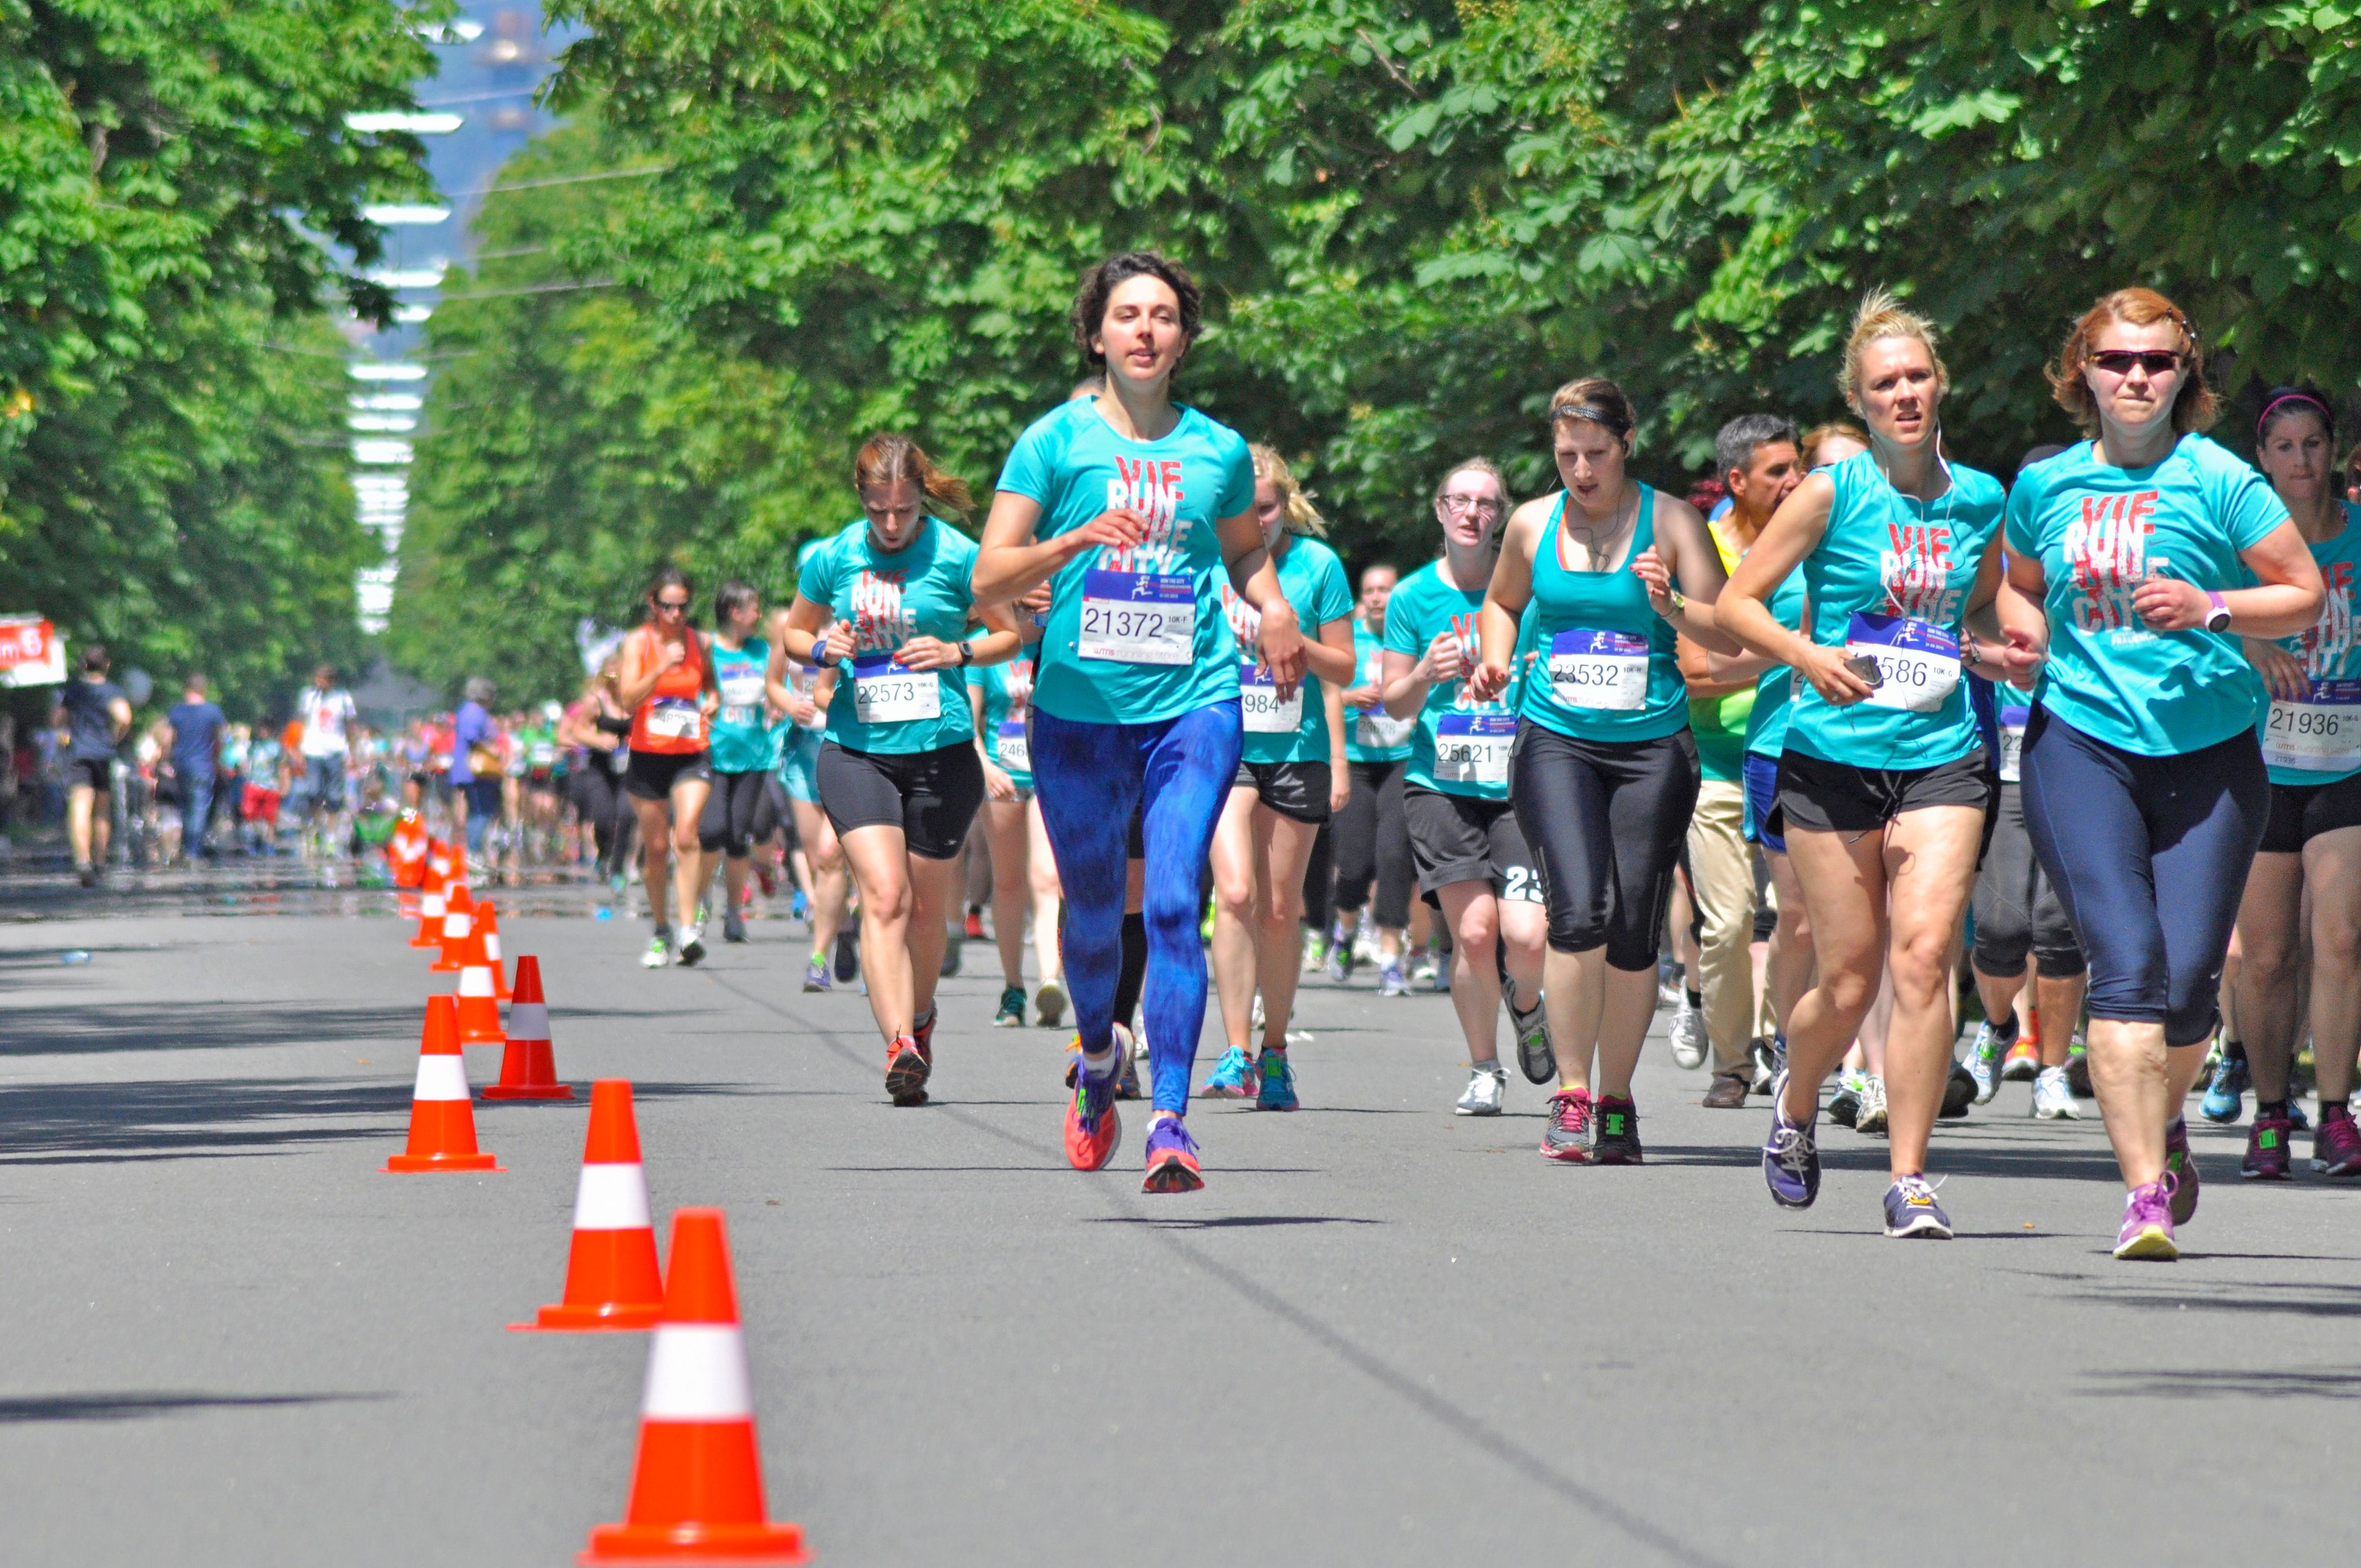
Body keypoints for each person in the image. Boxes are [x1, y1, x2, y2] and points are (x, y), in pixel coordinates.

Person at [972, 249, 1306, 1191]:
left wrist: (1273, 607)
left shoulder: (1219, 450)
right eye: (1128, 315)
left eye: (1163, 316)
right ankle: (1094, 1056)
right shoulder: (1054, 443)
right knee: (1088, 914)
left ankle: (1171, 1119)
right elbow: (989, 575)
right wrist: (1073, 538)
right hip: (1079, 712)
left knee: (1169, 903)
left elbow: (1246, 556)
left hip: (1193, 705)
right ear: (1097, 334)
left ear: (1184, 338)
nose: (1146, 330)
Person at [1999, 287, 2322, 1259]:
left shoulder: (2221, 479)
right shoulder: (2045, 485)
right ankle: (2144, 1194)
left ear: (2183, 374)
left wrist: (2212, 604)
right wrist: (2021, 644)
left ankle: (2165, 1113)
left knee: (2187, 986)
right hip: (2081, 746)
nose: (2135, 377)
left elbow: (2302, 595)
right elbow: (2018, 592)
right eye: (2115, 361)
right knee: (2127, 965)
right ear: (2081, 373)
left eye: (2156, 362)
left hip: (2211, 755)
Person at [1721, 291, 2022, 1238]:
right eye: (1885, 382)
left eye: (1918, 377)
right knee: (1848, 981)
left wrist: (1995, 647)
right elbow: (1737, 601)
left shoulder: (1980, 496)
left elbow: (1971, 611)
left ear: (1941, 386)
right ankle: (1798, 1101)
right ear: (1860, 398)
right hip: (1831, 757)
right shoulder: (1829, 493)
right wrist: (1807, 658)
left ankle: (1911, 1177)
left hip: (1940, 754)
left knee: (1928, 956)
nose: (1905, 394)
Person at [1471, 378, 1738, 1163]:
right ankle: (1572, 1093)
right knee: (1578, 912)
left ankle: (1618, 1100)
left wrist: (1671, 609)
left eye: (1595, 453)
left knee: (1632, 930)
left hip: (1653, 747)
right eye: (1565, 456)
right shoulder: (1530, 524)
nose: (1581, 471)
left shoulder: (1673, 521)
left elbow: (1724, 626)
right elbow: (1502, 603)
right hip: (1557, 739)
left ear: (1627, 444)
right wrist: (1494, 659)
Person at [784, 433, 1024, 1105]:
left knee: (924, 913)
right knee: (885, 896)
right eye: (880, 511)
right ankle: (899, 1044)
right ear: (861, 498)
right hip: (858, 749)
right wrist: (823, 645)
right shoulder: (834, 555)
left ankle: (921, 1017)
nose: (893, 525)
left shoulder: (955, 555)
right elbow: (793, 635)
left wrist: (955, 650)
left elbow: (1010, 632)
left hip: (941, 753)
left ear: (922, 500)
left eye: (906, 511)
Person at [1382, 458, 1552, 1116]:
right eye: (1459, 500)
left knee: (1528, 936)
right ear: (1439, 509)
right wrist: (1425, 669)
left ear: (1500, 516)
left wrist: (1530, 668)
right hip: (1441, 785)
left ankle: (1529, 1007)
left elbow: (1558, 672)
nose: (1471, 513)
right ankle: (1485, 1067)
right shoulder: (1412, 597)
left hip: (1516, 782)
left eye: (1485, 503)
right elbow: (1395, 705)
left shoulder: (1531, 596)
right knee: (1476, 934)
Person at [2229, 387, 2361, 1180]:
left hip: (2350, 760)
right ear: (2263, 459)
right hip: (2264, 762)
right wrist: (2248, 645)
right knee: (2269, 956)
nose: (2301, 460)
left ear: (2333, 452)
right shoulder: (2243, 541)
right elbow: (2196, 615)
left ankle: (2337, 1113)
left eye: (2314, 444)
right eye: (2285, 446)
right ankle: (2271, 1111)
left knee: (2342, 936)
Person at [1201, 447, 1355, 1110]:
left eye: (1264, 507)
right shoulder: (1208, 565)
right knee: (1233, 891)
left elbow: (1344, 668)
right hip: (1223, 745)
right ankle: (1235, 1048)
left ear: (1283, 504)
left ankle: (1275, 1048)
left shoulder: (1317, 566)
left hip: (1296, 749)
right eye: (1243, 509)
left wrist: (1294, 640)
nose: (1255, 519)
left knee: (1279, 906)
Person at [1676, 415, 1804, 1107]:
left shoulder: (1811, 537)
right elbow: (1697, 670)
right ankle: (1731, 1060)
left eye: (1797, 467)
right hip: (1716, 765)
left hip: (1798, 752)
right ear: (1736, 482)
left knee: (1799, 919)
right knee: (1727, 923)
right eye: (1777, 472)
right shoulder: (1705, 553)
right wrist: (1791, 649)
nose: (1794, 481)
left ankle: (1793, 1053)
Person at [1964, 444, 2091, 1119]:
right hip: (2007, 768)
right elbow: (1959, 640)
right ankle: (1999, 1026)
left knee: (2057, 924)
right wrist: (1994, 658)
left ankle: (2052, 1068)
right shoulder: (1990, 566)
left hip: (2073, 765)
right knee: (2000, 922)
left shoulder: (2089, 564)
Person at [967, 623, 1069, 1029]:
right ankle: (1013, 988)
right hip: (1002, 777)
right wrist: (985, 766)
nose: (1035, 603)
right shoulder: (986, 644)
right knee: (1008, 881)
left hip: (1050, 776)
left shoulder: (1060, 636)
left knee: (1048, 877)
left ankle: (1050, 981)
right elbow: (969, 721)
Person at [617, 568, 719, 968]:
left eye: (683, 606)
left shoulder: (700, 641)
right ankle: (662, 929)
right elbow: (627, 700)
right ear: (653, 605)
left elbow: (710, 684)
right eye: (668, 606)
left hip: (692, 750)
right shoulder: (637, 643)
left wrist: (711, 700)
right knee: (656, 848)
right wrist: (659, 669)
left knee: (688, 832)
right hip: (648, 755)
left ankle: (690, 926)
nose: (677, 615)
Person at [769, 545, 852, 991]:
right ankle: (839, 933)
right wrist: (790, 705)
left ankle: (827, 951)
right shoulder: (790, 627)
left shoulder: (850, 621)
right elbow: (772, 681)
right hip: (804, 752)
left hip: (844, 744)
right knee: (818, 854)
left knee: (831, 853)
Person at [1332, 563, 1415, 993]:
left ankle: (1390, 960)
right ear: (1362, 598)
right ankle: (1344, 932)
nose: (1379, 596)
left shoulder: (1411, 635)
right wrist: (1350, 697)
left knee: (1395, 856)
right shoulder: (1351, 639)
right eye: (1371, 590)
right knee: (1355, 862)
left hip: (1404, 758)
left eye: (1386, 588)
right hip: (1356, 758)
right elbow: (1322, 692)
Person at [695, 582, 783, 946]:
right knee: (712, 830)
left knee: (736, 837)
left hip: (753, 756)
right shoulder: (708, 651)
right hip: (713, 754)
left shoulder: (761, 650)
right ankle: (699, 902)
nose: (759, 615)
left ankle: (733, 912)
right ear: (734, 612)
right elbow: (693, 691)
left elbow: (776, 687)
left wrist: (777, 706)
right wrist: (703, 706)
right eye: (753, 608)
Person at [55, 643, 132, 885]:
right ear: (106, 665)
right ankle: (99, 861)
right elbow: (125, 717)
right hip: (103, 754)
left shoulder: (74, 691)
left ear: (82, 665)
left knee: (80, 805)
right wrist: (115, 737)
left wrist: (64, 735)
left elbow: (57, 719)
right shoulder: (111, 691)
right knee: (102, 809)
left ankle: (82, 861)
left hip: (78, 753)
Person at [159, 675, 225, 862]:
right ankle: (192, 849)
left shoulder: (177, 711)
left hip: (181, 766)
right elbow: (218, 741)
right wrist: (217, 762)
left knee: (185, 807)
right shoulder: (213, 712)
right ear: (204, 689)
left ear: (186, 689)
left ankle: (186, 846)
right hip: (204, 766)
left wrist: (165, 760)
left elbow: (167, 740)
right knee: (198, 807)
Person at [449, 678, 503, 869]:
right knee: (481, 812)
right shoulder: (475, 713)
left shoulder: (465, 710)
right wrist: (493, 750)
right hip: (476, 772)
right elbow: (473, 738)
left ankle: (472, 852)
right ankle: (473, 854)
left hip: (466, 771)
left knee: (476, 811)